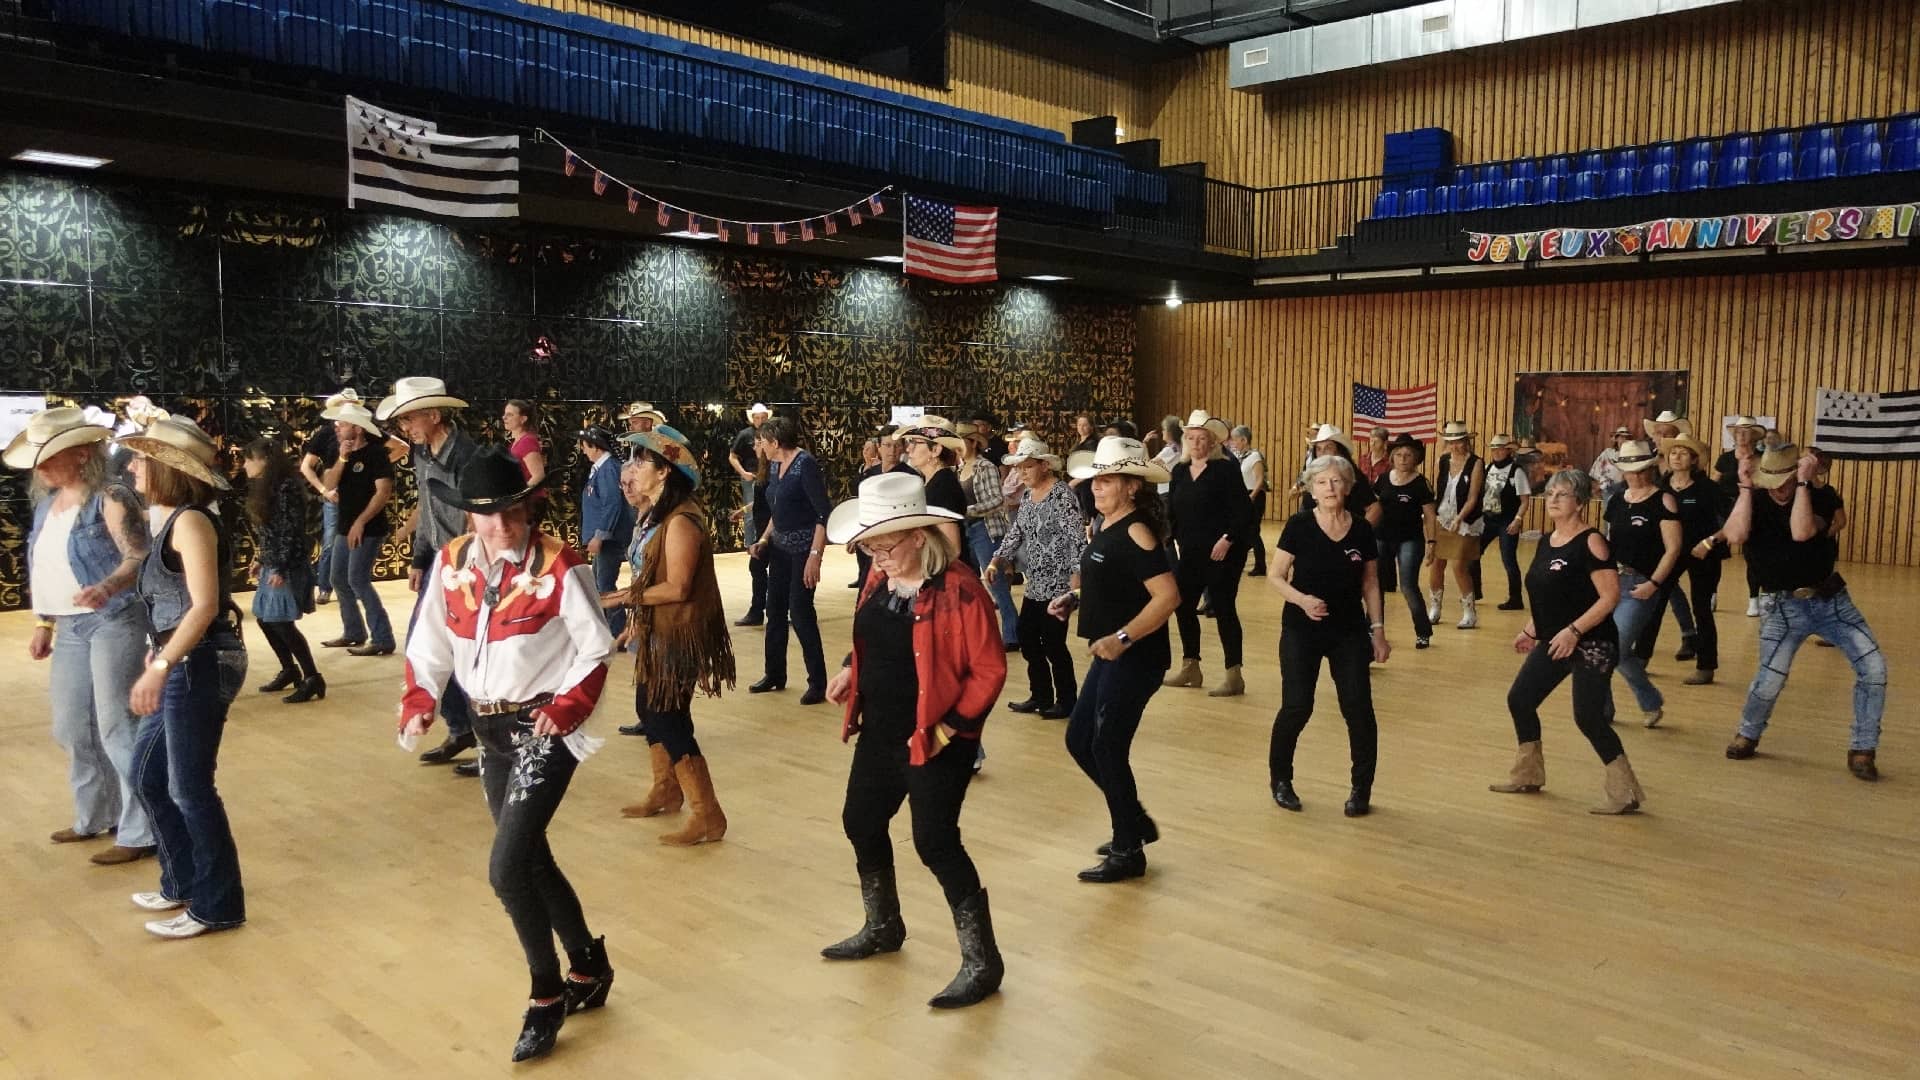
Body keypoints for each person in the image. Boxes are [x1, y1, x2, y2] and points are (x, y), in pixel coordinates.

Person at [399, 446, 617, 1062]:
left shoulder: (560, 565)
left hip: (544, 728)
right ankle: (589, 964)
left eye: (511, 511)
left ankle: (546, 994)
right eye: (486, 515)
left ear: (528, 507)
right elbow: (430, 642)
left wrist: (568, 706)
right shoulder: (449, 564)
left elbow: (595, 649)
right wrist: (420, 697)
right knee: (531, 858)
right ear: (467, 515)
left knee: (505, 868)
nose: (500, 526)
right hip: (489, 730)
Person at [821, 473, 1008, 1009]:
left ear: (919, 536)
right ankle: (883, 925)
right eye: (869, 546)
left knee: (935, 842)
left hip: (937, 737)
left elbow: (989, 671)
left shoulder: (961, 590)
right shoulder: (881, 583)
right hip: (881, 729)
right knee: (860, 820)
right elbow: (875, 643)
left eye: (886, 544)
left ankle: (982, 961)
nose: (876, 556)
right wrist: (849, 670)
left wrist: (952, 728)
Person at [118, 415, 251, 935]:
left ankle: (217, 904)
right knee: (149, 776)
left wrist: (159, 666)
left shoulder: (192, 522)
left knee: (190, 787)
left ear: (165, 469)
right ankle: (183, 881)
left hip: (198, 661)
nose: (130, 467)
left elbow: (204, 606)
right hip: (182, 659)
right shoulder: (171, 520)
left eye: (139, 460)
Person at [8, 407, 156, 866]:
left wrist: (108, 585)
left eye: (50, 457)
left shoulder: (110, 498)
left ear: (80, 456)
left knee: (116, 725)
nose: (40, 467)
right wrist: (44, 623)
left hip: (114, 619)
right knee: (72, 726)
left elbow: (138, 557)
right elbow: (45, 568)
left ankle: (142, 829)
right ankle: (95, 815)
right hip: (70, 626)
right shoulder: (45, 506)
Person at [1046, 437, 1179, 882]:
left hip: (1135, 657)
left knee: (1106, 745)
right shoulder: (1108, 526)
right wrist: (1076, 598)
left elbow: (1167, 596)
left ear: (1133, 487)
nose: (1097, 487)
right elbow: (1117, 584)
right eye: (1096, 480)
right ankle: (1134, 822)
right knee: (1080, 741)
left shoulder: (1137, 531)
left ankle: (1128, 850)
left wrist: (1122, 638)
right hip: (1112, 653)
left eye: (1107, 480)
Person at [1720, 443, 1886, 781]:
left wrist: (1804, 486)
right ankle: (1749, 732)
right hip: (1780, 608)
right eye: (1772, 479)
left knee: (1874, 669)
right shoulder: (1753, 499)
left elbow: (1801, 531)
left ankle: (1863, 748)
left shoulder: (1820, 497)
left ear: (1798, 473)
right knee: (1769, 682)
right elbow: (1735, 534)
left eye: (1786, 478)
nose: (1778, 487)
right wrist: (1746, 487)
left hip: (1831, 602)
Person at [1489, 468, 1646, 815]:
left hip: (1592, 642)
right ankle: (1529, 773)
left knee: (1588, 717)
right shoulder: (1546, 541)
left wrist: (1574, 631)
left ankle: (1625, 792)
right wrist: (1532, 630)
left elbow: (1609, 598)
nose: (1554, 500)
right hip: (1555, 639)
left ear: (1579, 502)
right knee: (1520, 699)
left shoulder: (1591, 541)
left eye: (1563, 494)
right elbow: (1549, 597)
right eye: (1551, 494)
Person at [613, 426, 736, 843]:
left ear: (665, 472)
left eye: (642, 462)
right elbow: (654, 574)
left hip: (679, 634)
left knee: (666, 716)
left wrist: (617, 599)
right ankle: (667, 789)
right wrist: (634, 621)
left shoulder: (682, 519)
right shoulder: (656, 516)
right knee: (651, 711)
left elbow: (678, 587)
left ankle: (708, 813)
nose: (633, 470)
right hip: (658, 631)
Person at [1266, 454, 1389, 817]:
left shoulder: (1363, 529)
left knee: (1358, 709)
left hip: (1348, 630)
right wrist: (1302, 600)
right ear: (1311, 490)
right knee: (1297, 706)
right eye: (1322, 482)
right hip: (1301, 628)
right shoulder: (1300, 525)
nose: (1330, 488)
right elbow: (1275, 575)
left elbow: (1370, 582)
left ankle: (1360, 789)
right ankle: (1281, 780)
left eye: (1337, 481)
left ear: (1349, 487)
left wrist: (1378, 631)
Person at [375, 376, 479, 770]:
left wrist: (468, 566)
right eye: (402, 423)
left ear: (435, 415)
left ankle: (485, 739)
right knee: (426, 646)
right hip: (439, 561)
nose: (406, 429)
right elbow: (428, 507)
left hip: (466, 564)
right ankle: (460, 726)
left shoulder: (467, 456)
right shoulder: (423, 456)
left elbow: (477, 515)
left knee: (471, 653)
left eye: (410, 420)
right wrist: (420, 559)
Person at [989, 436, 1085, 719]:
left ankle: (1067, 701)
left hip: (1059, 583)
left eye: (1027, 467)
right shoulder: (1029, 496)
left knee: (1054, 644)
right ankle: (1041, 695)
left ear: (1044, 466)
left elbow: (1077, 539)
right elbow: (1016, 532)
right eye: (1019, 468)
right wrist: (998, 559)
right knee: (1028, 637)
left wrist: (1077, 577)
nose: (1021, 474)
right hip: (1035, 582)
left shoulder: (1062, 494)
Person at [1163, 410, 1254, 698]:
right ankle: (1191, 666)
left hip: (1221, 553)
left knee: (1224, 609)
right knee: (1182, 604)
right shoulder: (1179, 471)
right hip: (1190, 552)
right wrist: (1172, 537)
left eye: (1202, 438)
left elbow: (1243, 511)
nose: (1196, 443)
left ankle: (1234, 674)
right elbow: (1172, 511)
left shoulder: (1225, 469)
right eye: (1191, 438)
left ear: (1212, 441)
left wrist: (1227, 539)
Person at [748, 415, 831, 704]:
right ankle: (774, 673)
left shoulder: (805, 464)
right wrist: (764, 538)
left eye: (763, 442)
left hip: (804, 548)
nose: (760, 447)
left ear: (775, 442)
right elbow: (777, 509)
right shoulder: (773, 465)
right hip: (781, 548)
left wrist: (815, 557)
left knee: (800, 612)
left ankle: (818, 682)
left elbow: (823, 514)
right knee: (774, 609)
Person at [1601, 441, 1680, 728]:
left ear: (1650, 468)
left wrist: (1654, 584)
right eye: (1630, 470)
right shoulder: (1617, 501)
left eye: (1641, 470)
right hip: (1612, 581)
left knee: (1617, 648)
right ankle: (1604, 710)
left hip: (1641, 583)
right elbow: (1608, 543)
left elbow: (1673, 549)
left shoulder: (1663, 501)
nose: (1636, 476)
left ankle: (1649, 700)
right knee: (1604, 647)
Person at [240, 439, 323, 704]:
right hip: (274, 562)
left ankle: (312, 677)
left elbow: (290, 530)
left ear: (264, 459)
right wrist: (262, 559)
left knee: (280, 621)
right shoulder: (268, 487)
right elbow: (271, 532)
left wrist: (281, 566)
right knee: (266, 618)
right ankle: (290, 670)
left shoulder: (286, 487)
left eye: (248, 458)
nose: (244, 464)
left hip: (286, 564)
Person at [320, 401, 396, 657]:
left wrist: (361, 521)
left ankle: (382, 637)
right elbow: (328, 484)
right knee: (338, 578)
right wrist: (342, 458)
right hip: (345, 524)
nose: (338, 428)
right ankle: (353, 631)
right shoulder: (341, 452)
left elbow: (383, 491)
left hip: (369, 527)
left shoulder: (376, 454)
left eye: (342, 424)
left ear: (358, 428)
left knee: (357, 579)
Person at [1661, 431, 1726, 685]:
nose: (1677, 457)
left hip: (1703, 553)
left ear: (1694, 459)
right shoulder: (1661, 487)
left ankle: (1706, 666)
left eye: (1683, 453)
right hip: (1671, 552)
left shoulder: (1709, 489)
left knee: (1702, 608)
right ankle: (1640, 656)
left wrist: (1710, 542)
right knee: (1656, 600)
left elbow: (1732, 522)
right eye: (1673, 452)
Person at [1373, 434, 1437, 648]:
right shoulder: (1382, 479)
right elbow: (1373, 508)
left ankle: (1423, 631)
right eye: (1399, 455)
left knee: (1408, 585)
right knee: (1376, 585)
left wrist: (1431, 543)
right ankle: (1371, 630)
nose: (1403, 459)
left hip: (1410, 540)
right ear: (1392, 457)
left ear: (1416, 458)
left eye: (1408, 455)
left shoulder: (1421, 484)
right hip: (1382, 538)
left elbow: (1429, 515)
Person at [959, 424, 1019, 648]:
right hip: (965, 530)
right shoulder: (959, 468)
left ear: (973, 442)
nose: (958, 446)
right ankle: (978, 634)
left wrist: (967, 510)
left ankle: (1012, 634)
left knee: (997, 584)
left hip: (985, 529)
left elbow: (996, 500)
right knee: (969, 584)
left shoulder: (985, 467)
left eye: (963, 440)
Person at [576, 426, 635, 644]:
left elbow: (611, 504)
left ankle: (617, 631)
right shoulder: (602, 469)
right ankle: (611, 629)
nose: (583, 451)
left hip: (609, 539)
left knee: (605, 584)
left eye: (584, 446)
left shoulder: (608, 468)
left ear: (595, 446)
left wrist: (600, 535)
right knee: (601, 583)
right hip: (604, 538)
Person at [1429, 420, 1485, 630]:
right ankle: (1435, 608)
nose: (1454, 446)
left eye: (1458, 441)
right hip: (1443, 516)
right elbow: (1438, 490)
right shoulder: (1442, 461)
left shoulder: (1476, 463)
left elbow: (1473, 497)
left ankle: (1469, 612)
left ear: (1466, 441)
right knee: (1436, 563)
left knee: (1458, 565)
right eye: (1450, 442)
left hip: (1466, 520)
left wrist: (1459, 518)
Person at [896, 416, 970, 561]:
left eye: (916, 443)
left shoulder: (943, 485)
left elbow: (952, 548)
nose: (909, 448)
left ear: (935, 450)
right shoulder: (933, 481)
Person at [1715, 415, 1768, 617]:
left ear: (1754, 436)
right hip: (1725, 508)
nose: (1741, 435)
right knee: (1715, 553)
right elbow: (1715, 482)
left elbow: (1766, 482)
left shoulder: (1762, 458)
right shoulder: (1725, 458)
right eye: (1738, 432)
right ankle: (1712, 593)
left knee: (1753, 555)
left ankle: (1754, 599)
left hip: (1752, 507)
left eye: (1746, 431)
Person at [1477, 434, 1531, 611]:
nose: (1496, 452)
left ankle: (1515, 599)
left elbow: (1524, 500)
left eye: (1500, 449)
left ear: (1508, 451)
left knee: (1508, 559)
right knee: (1473, 554)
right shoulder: (1487, 468)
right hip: (1487, 519)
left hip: (1507, 521)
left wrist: (1517, 520)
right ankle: (1474, 591)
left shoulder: (1517, 471)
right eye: (1494, 449)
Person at [298, 396, 342, 606]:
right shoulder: (326, 434)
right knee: (331, 541)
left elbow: (399, 447)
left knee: (355, 541)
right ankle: (325, 586)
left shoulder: (364, 431)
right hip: (335, 493)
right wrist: (323, 489)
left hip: (358, 494)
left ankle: (349, 584)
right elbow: (306, 466)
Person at [729, 402, 770, 546]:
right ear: (752, 418)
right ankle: (750, 545)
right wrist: (743, 472)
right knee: (751, 513)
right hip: (751, 476)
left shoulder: (771, 434)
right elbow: (732, 456)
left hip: (767, 476)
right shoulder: (745, 434)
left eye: (763, 417)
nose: (760, 421)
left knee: (766, 509)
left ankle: (763, 541)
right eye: (757, 418)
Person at [1230, 425, 1268, 577]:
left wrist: (1251, 497)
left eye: (1235, 440)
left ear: (1244, 440)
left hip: (1254, 496)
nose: (1233, 443)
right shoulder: (1239, 456)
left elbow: (1260, 481)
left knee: (1253, 532)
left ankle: (1261, 566)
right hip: (1244, 495)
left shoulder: (1255, 456)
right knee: (1244, 531)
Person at [503, 398, 547, 521]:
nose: (504, 418)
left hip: (531, 501)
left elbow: (538, 476)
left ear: (523, 419)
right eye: (504, 414)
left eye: (510, 415)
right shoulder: (515, 443)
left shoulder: (527, 441)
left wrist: (519, 497)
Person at [849, 438, 883, 588]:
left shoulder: (877, 469)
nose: (865, 452)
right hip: (859, 511)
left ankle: (866, 577)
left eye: (869, 449)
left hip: (871, 513)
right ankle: (860, 575)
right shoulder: (862, 467)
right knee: (859, 550)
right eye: (864, 448)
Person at [1590, 426, 1631, 511]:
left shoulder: (1631, 455)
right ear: (1616, 439)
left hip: (1625, 488)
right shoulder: (1608, 453)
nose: (1623, 440)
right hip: (1607, 488)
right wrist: (1602, 485)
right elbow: (1597, 469)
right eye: (1621, 437)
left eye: (1626, 438)